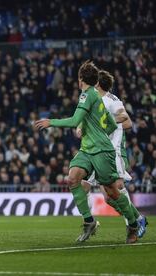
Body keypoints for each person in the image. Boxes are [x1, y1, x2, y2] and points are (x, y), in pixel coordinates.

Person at [35, 61, 139, 244]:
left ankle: (133, 224)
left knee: (112, 193)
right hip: (87, 149)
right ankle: (89, 222)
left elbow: (75, 121)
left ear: (80, 79)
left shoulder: (87, 95)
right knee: (73, 178)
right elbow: (112, 125)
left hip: (101, 152)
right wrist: (94, 131)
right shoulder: (97, 98)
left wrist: (51, 122)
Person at [79, 70, 148, 238]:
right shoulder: (93, 99)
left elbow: (127, 120)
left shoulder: (111, 100)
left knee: (114, 191)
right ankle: (90, 222)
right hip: (94, 150)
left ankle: (135, 221)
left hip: (110, 151)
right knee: (87, 188)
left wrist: (108, 123)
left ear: (97, 84)